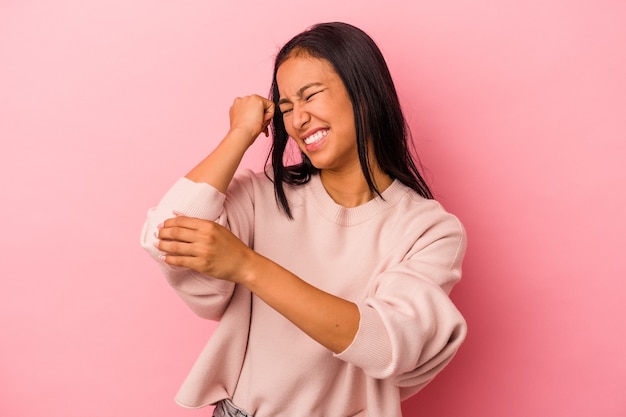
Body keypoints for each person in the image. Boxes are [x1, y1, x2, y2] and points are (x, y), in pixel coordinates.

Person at [141, 21, 467, 417]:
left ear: (365, 93)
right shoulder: (264, 196)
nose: (297, 120)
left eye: (310, 95)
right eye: (286, 107)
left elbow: (387, 343)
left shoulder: (428, 230)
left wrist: (246, 265)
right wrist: (240, 134)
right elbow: (165, 236)